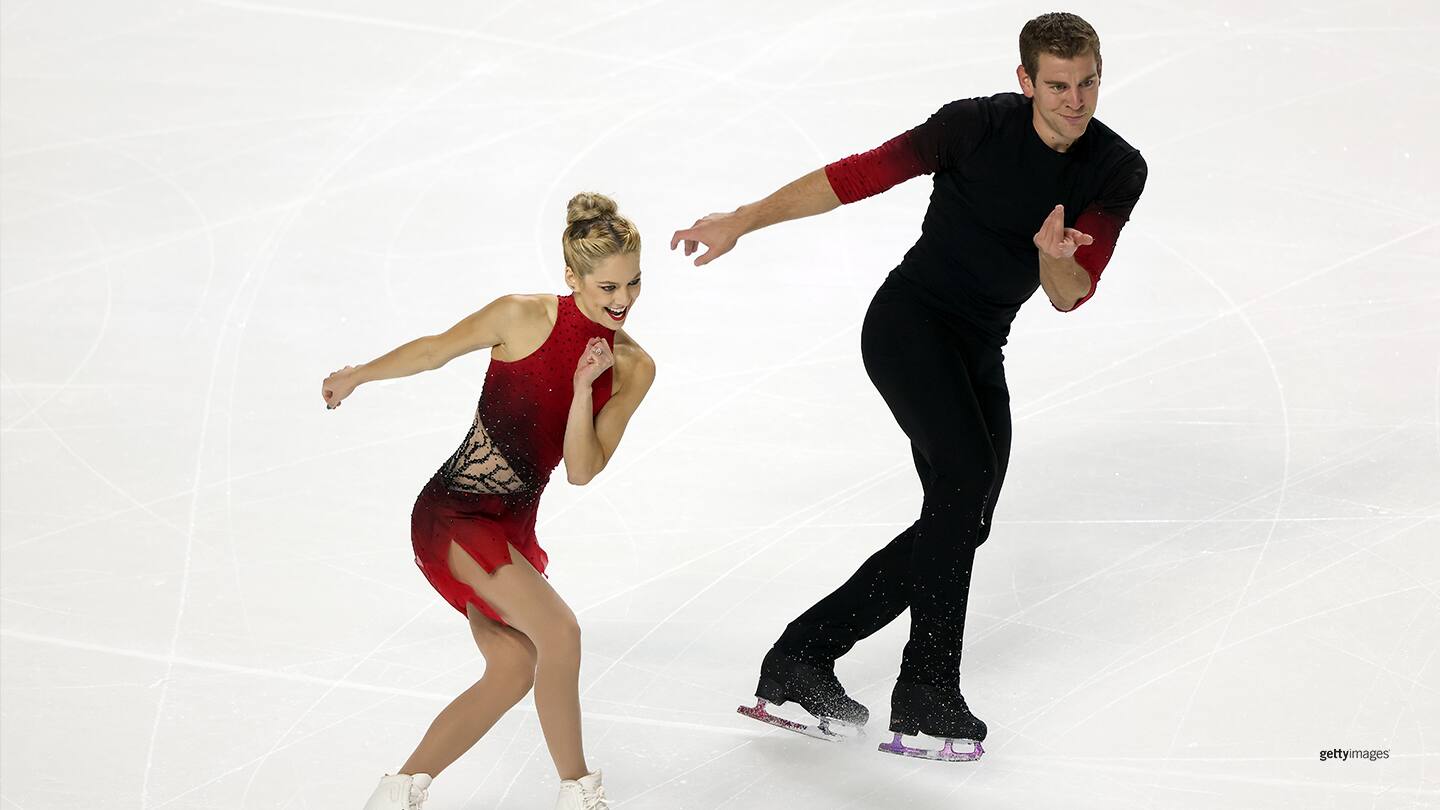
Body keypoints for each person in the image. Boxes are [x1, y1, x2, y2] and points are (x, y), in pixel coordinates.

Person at [672, 12, 1146, 762]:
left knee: (967, 515)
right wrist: (745, 219)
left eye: (1087, 82)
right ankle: (926, 691)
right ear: (1026, 81)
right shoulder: (972, 127)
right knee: (962, 489)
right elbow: (856, 176)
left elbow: (1068, 292)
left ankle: (803, 657)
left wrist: (1054, 256)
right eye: (1057, 85)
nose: (1075, 100)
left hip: (981, 346)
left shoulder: (1117, 167)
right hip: (908, 326)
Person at [322, 192, 655, 808]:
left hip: (511, 529)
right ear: (571, 278)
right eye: (608, 285)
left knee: (512, 668)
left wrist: (585, 389)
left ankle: (396, 793)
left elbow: (581, 471)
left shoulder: (633, 367)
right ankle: (578, 793)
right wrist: (358, 373)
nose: (623, 300)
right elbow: (432, 351)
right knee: (560, 634)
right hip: (454, 514)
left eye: (634, 283)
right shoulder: (520, 316)